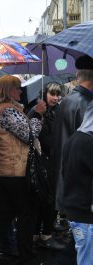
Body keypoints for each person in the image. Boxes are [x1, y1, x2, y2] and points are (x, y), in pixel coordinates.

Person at [0, 75, 46, 264]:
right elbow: (29, 135)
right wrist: (37, 114)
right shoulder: (6, 110)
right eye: (17, 88)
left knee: (3, 215)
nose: (21, 91)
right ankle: (26, 256)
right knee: (28, 212)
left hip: (4, 170)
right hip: (16, 170)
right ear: (8, 90)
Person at [52, 55, 93, 212]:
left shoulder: (67, 101)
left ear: (77, 75)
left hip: (67, 179)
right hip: (83, 184)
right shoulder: (88, 103)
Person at [28, 83, 65, 250]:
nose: (55, 98)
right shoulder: (36, 110)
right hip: (39, 162)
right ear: (44, 93)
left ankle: (45, 233)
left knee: (50, 198)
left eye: (58, 95)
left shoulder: (57, 111)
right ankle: (37, 234)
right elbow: (31, 135)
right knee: (41, 198)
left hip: (53, 160)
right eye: (52, 94)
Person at [61, 102, 93, 265]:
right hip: (86, 212)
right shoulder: (88, 142)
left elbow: (64, 172)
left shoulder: (75, 138)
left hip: (76, 209)